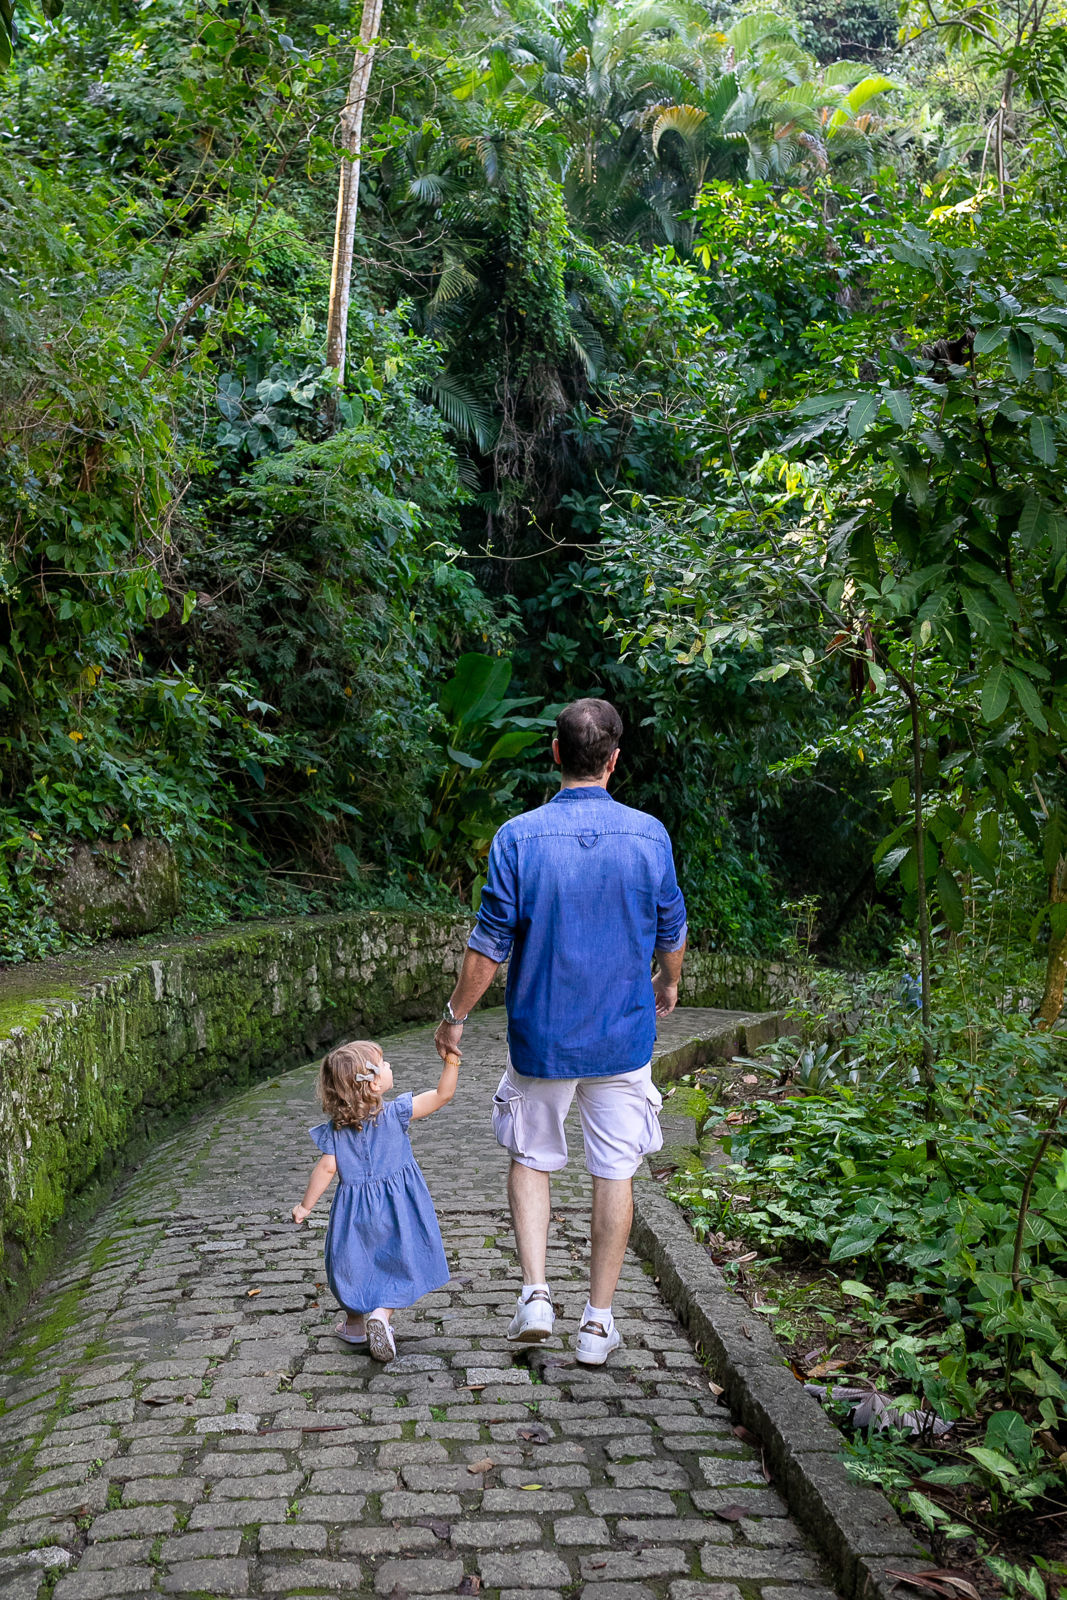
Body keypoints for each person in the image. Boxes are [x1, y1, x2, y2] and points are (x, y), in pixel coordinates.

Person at [433, 697, 686, 1366]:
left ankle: (536, 1294)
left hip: (541, 1036)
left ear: (554, 754)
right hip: (622, 1038)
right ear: (614, 761)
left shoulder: (518, 836)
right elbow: (671, 929)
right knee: (614, 1170)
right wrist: (668, 983)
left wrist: (455, 1016)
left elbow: (488, 945)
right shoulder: (648, 834)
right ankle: (597, 1324)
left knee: (530, 1158)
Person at [292, 1039, 459, 1362]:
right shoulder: (397, 1113)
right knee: (400, 1262)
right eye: (384, 1064)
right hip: (399, 1208)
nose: (389, 1067)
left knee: (353, 1264)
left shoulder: (336, 1130)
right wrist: (452, 1060)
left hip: (354, 1212)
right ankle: (381, 1316)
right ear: (373, 1082)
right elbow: (443, 1095)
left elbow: (327, 1168)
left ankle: (355, 1325)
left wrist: (305, 1207)